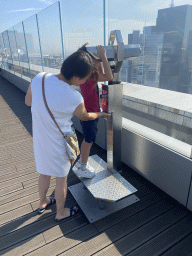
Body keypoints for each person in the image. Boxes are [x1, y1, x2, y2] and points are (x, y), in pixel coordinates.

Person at [25, 50, 110, 221]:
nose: (85, 81)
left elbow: (28, 102)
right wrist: (100, 115)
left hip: (40, 140)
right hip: (59, 143)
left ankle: (43, 201)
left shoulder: (39, 78)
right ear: (77, 77)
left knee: (44, 173)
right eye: (85, 78)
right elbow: (85, 116)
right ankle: (61, 212)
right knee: (61, 178)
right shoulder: (73, 96)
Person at [73, 44, 113, 178]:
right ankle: (82, 167)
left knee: (87, 139)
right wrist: (103, 57)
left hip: (88, 111)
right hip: (90, 114)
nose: (98, 61)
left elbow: (101, 73)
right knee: (89, 140)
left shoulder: (86, 75)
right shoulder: (90, 76)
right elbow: (108, 76)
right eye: (95, 58)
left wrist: (99, 61)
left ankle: (81, 162)